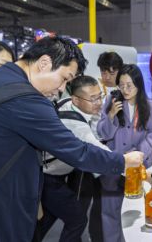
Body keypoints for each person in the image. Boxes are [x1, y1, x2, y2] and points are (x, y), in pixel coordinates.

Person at [0, 37, 144, 242]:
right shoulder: (28, 100)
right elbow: (77, 151)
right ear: (44, 63)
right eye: (64, 78)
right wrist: (123, 161)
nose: (62, 89)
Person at [37, 75, 108, 242]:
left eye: (100, 96)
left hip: (56, 175)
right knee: (77, 219)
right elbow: (100, 152)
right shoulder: (74, 124)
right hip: (48, 178)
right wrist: (138, 172)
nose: (99, 102)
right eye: (93, 99)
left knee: (49, 218)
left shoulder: (68, 103)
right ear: (76, 100)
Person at [97, 64, 152, 242]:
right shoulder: (112, 101)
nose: (125, 89)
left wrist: (139, 154)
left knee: (135, 210)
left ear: (139, 85)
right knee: (110, 211)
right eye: (121, 85)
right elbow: (103, 133)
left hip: (137, 167)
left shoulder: (149, 106)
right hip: (113, 164)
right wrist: (110, 116)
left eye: (129, 85)